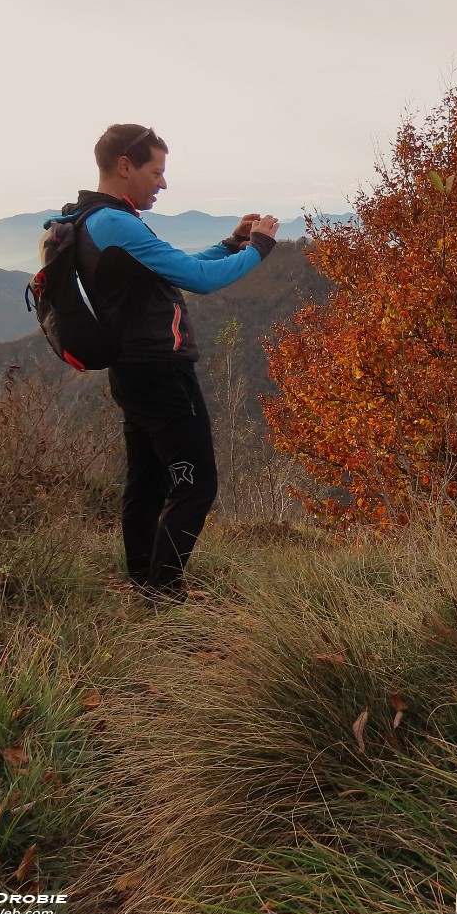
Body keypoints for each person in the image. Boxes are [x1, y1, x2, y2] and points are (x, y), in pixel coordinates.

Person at [51, 123, 279, 602]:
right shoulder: (115, 223)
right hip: (160, 372)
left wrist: (229, 244)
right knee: (196, 486)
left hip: (132, 370)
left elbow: (169, 265)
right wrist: (259, 247)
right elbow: (199, 279)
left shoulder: (94, 217)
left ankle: (143, 582)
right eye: (156, 171)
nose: (163, 183)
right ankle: (163, 594)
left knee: (148, 481)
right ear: (124, 166)